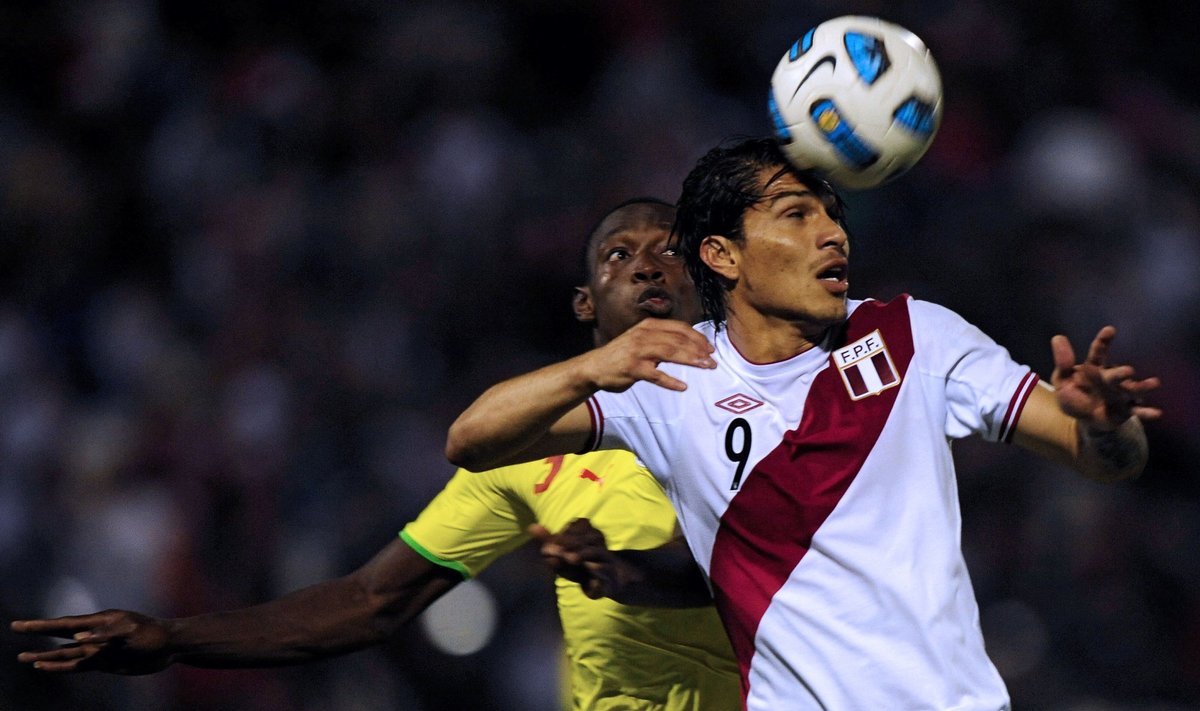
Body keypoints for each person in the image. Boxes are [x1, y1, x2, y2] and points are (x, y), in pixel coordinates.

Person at [445, 137, 1163, 710]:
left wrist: (1104, 423)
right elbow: (472, 440)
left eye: (832, 214)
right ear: (722, 254)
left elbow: (1108, 458)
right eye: (796, 214)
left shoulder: (915, 336)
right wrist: (586, 369)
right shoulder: (671, 378)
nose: (832, 234)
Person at [11, 198, 741, 711]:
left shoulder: (769, 405)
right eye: (621, 254)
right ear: (587, 301)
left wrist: (629, 571)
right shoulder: (529, 445)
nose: (648, 267)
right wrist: (173, 637)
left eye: (670, 251)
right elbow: (371, 600)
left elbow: (741, 566)